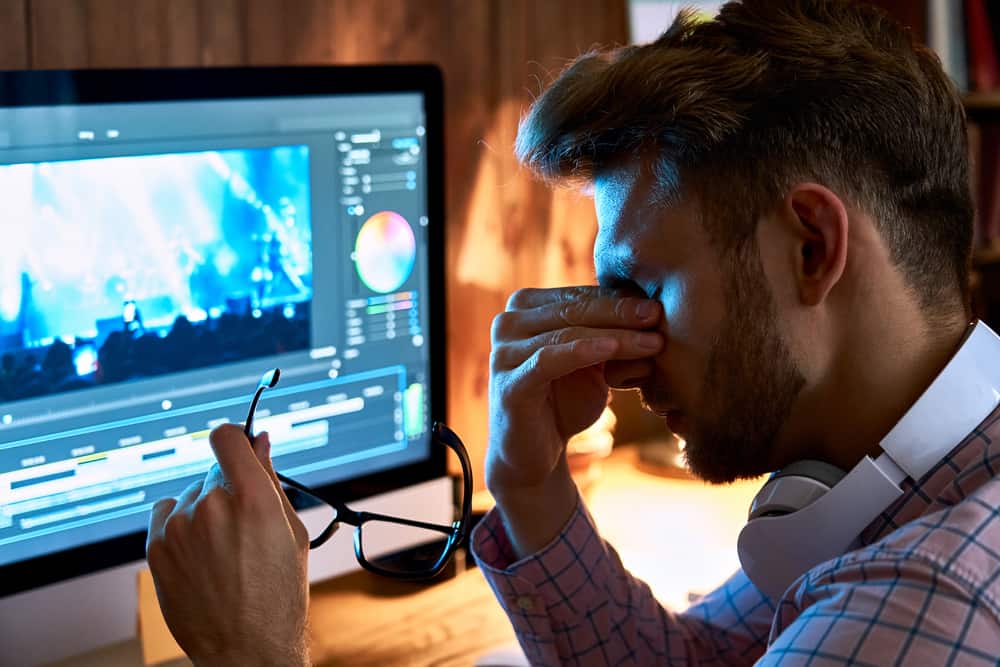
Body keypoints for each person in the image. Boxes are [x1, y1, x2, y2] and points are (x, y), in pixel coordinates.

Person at [146, 0, 1000, 664]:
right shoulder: (909, 476)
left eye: (640, 285)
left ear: (812, 247)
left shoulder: (924, 601)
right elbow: (698, 663)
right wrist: (532, 485)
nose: (624, 362)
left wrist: (248, 647)